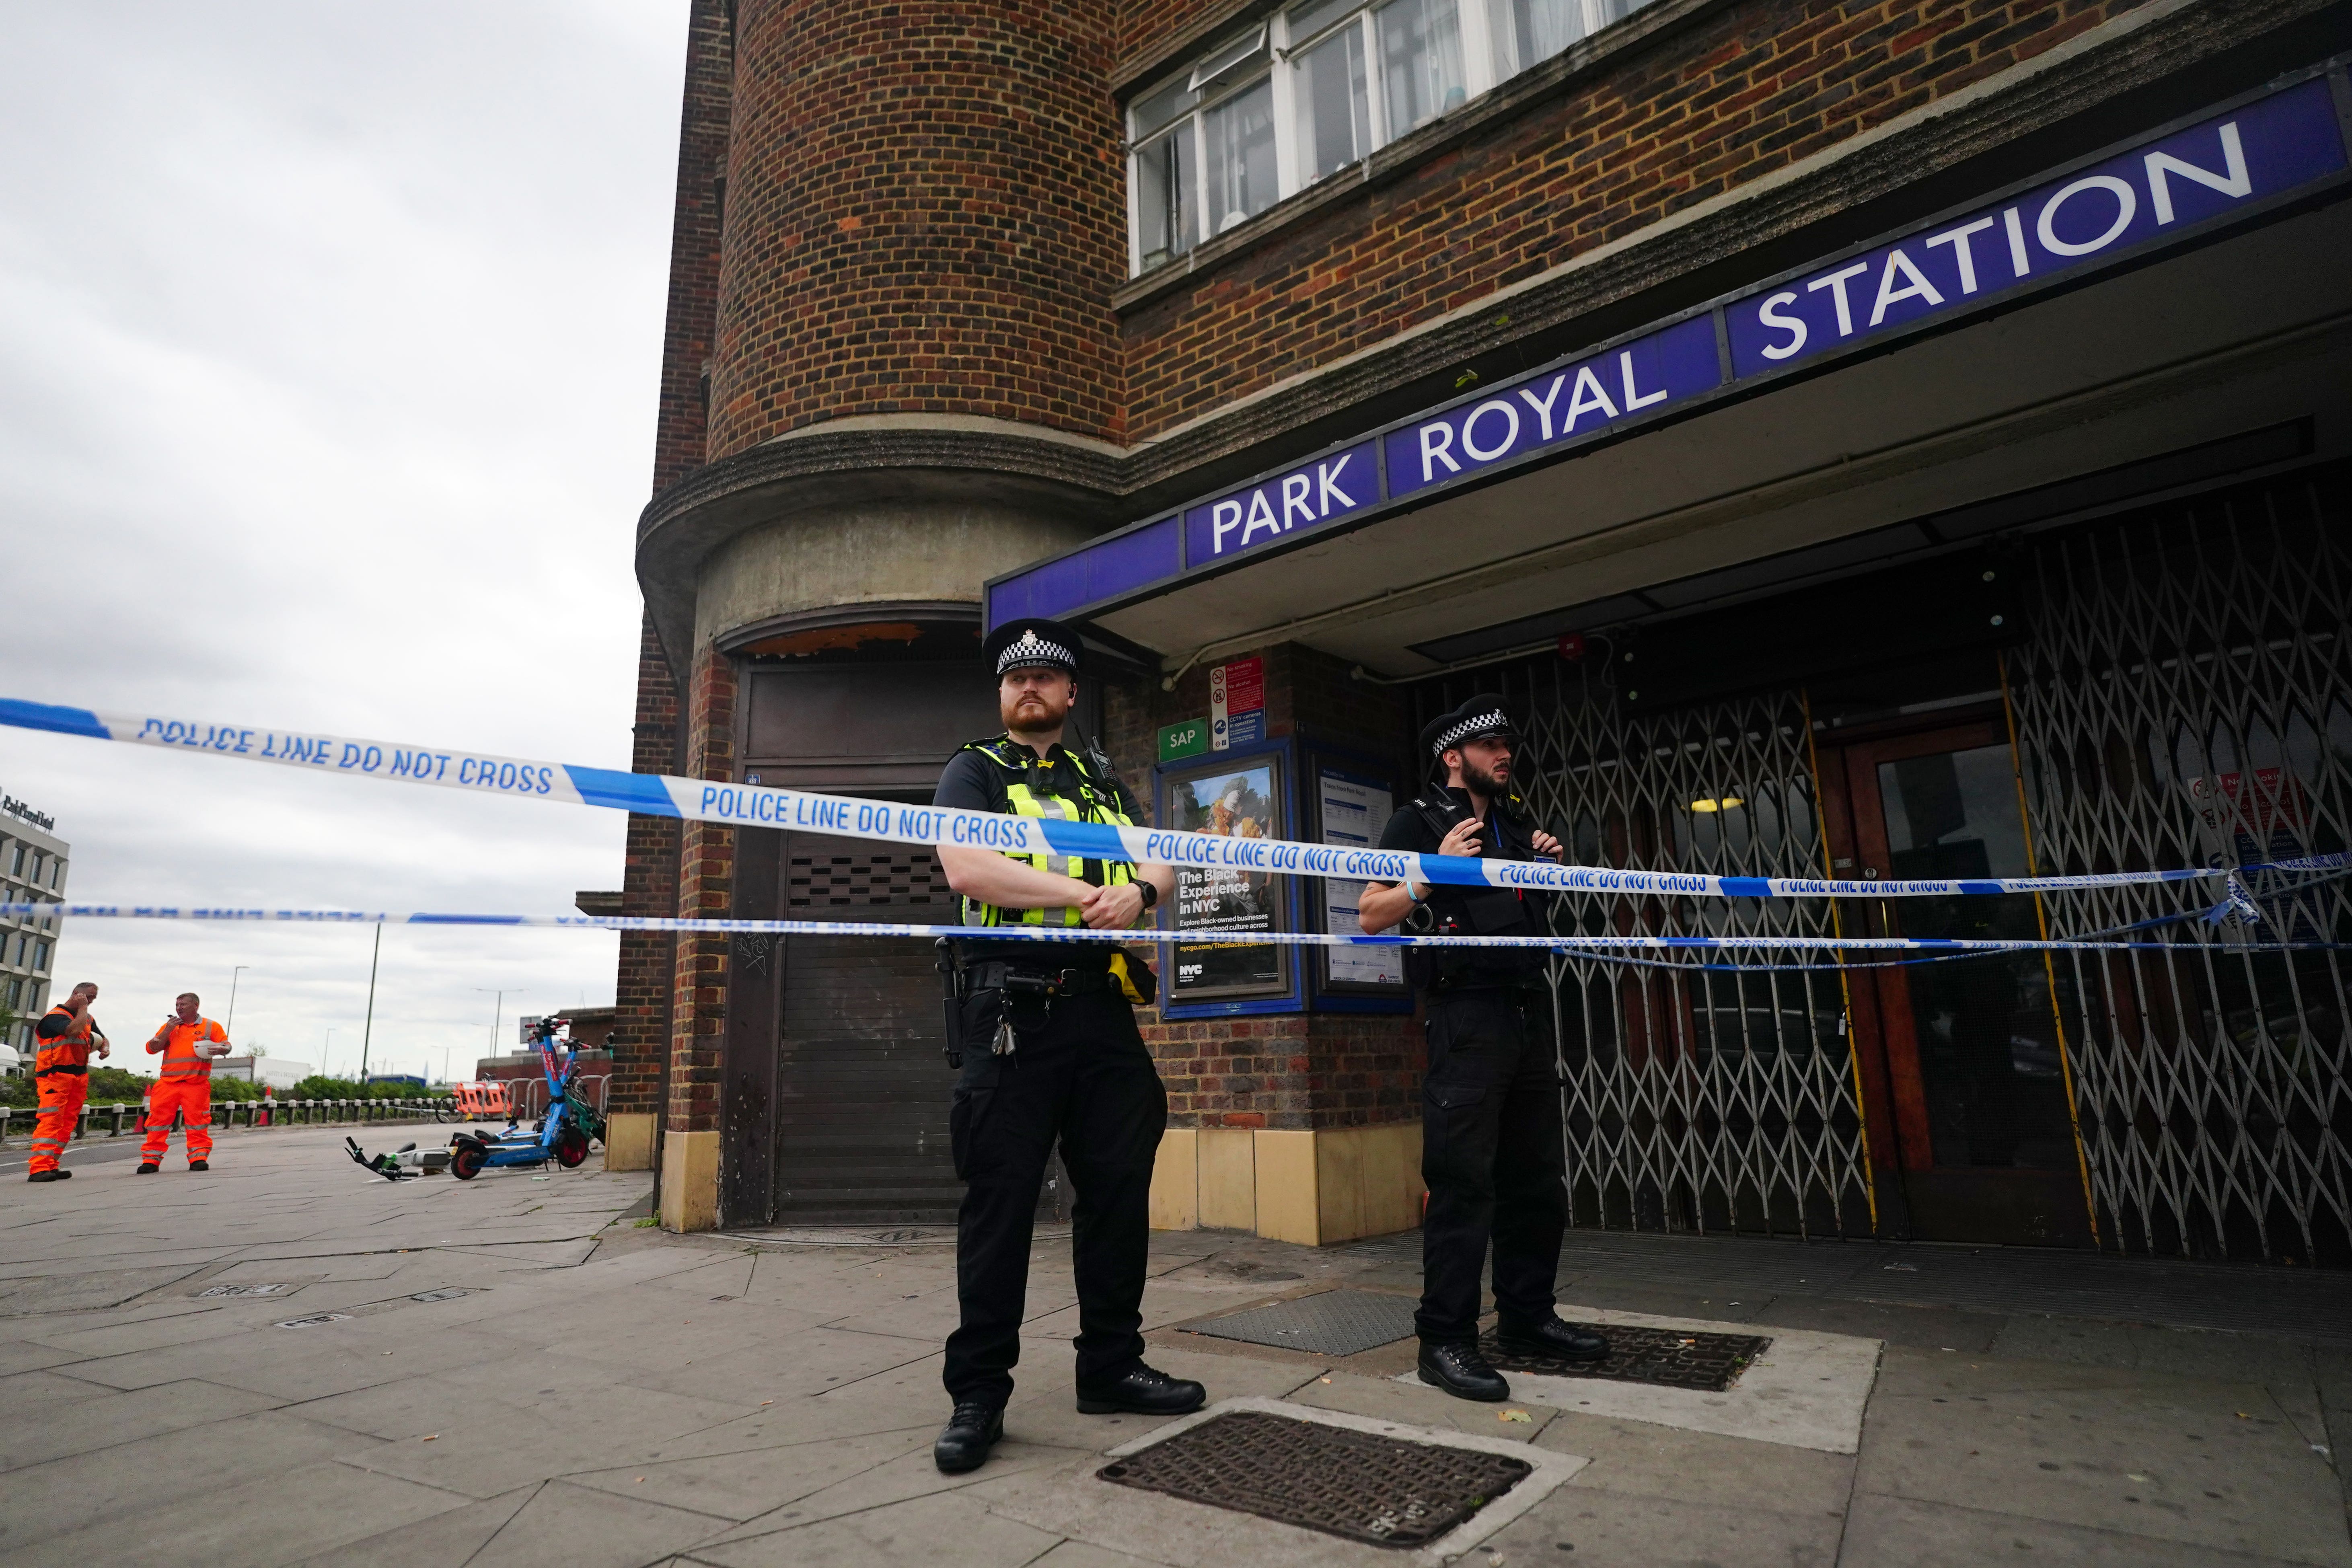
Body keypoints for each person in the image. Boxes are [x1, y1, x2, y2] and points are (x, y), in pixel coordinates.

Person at [927, 616, 1197, 1474]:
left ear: (1070, 692)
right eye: (1015, 679)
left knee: (1117, 1194)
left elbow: (1162, 861)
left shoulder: (1102, 781)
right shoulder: (974, 769)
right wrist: (1091, 895)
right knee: (999, 1207)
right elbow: (968, 869)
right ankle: (978, 1393)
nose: (1029, 687)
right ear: (1001, 696)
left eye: (1045, 676)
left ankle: (1110, 1364)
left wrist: (1141, 899)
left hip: (1099, 1012)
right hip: (1009, 1007)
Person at [1357, 697, 1610, 1401]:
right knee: (1463, 1181)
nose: (1505, 754)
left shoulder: (1515, 820)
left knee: (1535, 1179)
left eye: (1508, 743)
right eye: (1491, 744)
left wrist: (1548, 866)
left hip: (1528, 1008)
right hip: (1464, 1015)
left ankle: (1528, 1315)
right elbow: (1371, 912)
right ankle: (1444, 1339)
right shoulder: (1418, 819)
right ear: (1452, 754)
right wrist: (1427, 872)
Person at [138, 993, 232, 1172]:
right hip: (167, 1083)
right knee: (157, 1123)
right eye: (177, 1004)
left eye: (183, 1004)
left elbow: (227, 1045)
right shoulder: (170, 1027)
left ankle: (198, 1158)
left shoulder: (210, 1026)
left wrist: (222, 1049)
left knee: (197, 1123)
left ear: (195, 1006)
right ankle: (150, 1161)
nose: (179, 1008)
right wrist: (167, 1030)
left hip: (196, 1084)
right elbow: (152, 1048)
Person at [28, 982, 107, 1183]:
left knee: (67, 1123)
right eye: (89, 997)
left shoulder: (87, 1018)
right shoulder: (55, 1017)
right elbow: (73, 1030)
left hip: (78, 1076)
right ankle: (39, 1168)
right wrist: (82, 1008)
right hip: (55, 1076)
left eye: (94, 998)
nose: (91, 1001)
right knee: (51, 1120)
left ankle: (52, 1165)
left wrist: (105, 1048)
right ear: (77, 994)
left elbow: (101, 1038)